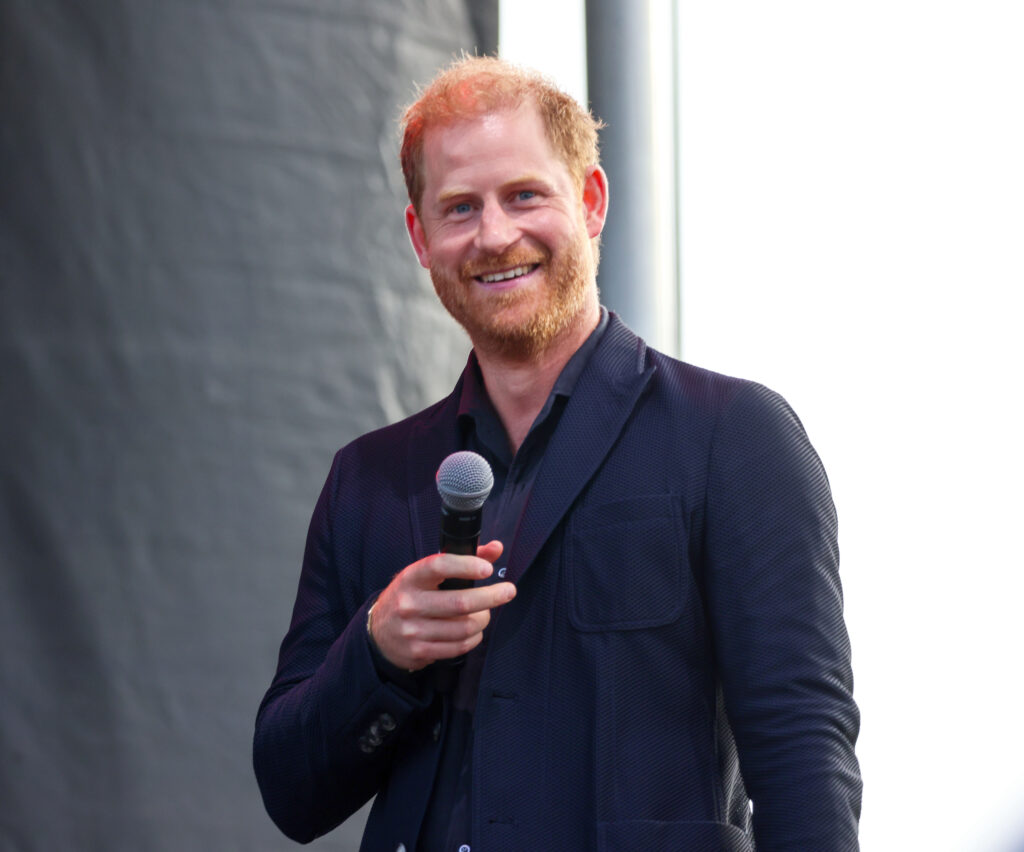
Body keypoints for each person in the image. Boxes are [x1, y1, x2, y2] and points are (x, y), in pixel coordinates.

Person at [253, 56, 861, 852]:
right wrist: (378, 651)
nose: (495, 234)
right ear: (420, 237)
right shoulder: (368, 479)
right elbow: (291, 794)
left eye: (525, 195)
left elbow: (802, 752)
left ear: (592, 200)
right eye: (460, 207)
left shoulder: (735, 437)